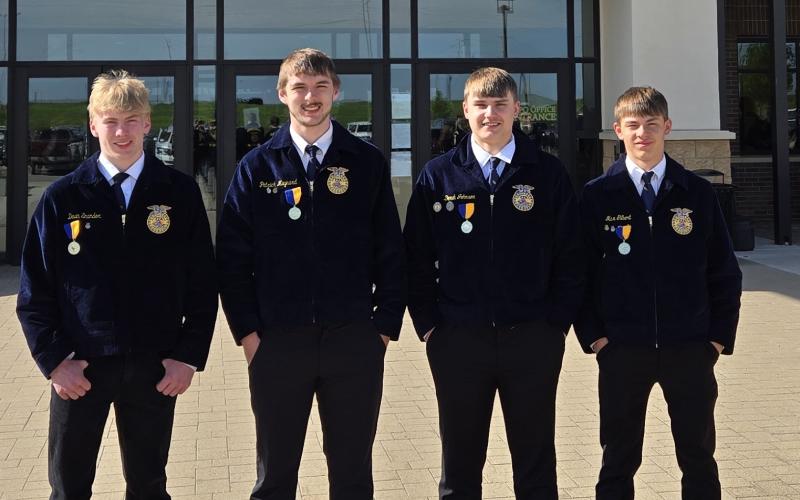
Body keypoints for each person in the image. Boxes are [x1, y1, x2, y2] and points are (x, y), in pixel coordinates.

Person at [17, 69, 217, 499]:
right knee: (69, 487)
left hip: (155, 367)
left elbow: (203, 283)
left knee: (148, 486)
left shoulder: (178, 193)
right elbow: (34, 290)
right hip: (80, 369)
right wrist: (54, 362)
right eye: (110, 120)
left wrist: (187, 357)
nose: (121, 131)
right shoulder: (63, 197)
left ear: (147, 123)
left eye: (131, 120)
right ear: (93, 125)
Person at [216, 48, 405, 500]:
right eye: (299, 87)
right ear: (283, 94)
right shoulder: (256, 167)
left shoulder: (365, 162)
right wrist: (248, 335)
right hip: (277, 342)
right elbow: (232, 259)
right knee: (275, 476)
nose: (310, 97)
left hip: (353, 341)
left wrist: (381, 329)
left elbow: (392, 253)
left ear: (336, 91)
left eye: (321, 86)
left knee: (353, 476)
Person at [404, 67, 583, 499]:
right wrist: (429, 324)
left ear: (516, 109)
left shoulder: (548, 173)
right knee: (460, 463)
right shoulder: (438, 175)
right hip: (458, 340)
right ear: (465, 110)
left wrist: (556, 323)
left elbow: (572, 256)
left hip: (532, 339)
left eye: (500, 104)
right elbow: (414, 257)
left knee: (535, 460)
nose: (490, 114)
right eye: (481, 105)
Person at [575, 86, 742, 500]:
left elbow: (724, 271)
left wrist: (717, 338)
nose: (642, 134)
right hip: (621, 348)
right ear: (618, 130)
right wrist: (596, 337)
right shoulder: (597, 195)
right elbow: (579, 273)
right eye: (633, 125)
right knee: (618, 455)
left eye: (652, 124)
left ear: (667, 127)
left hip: (689, 346)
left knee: (698, 453)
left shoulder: (696, 193)